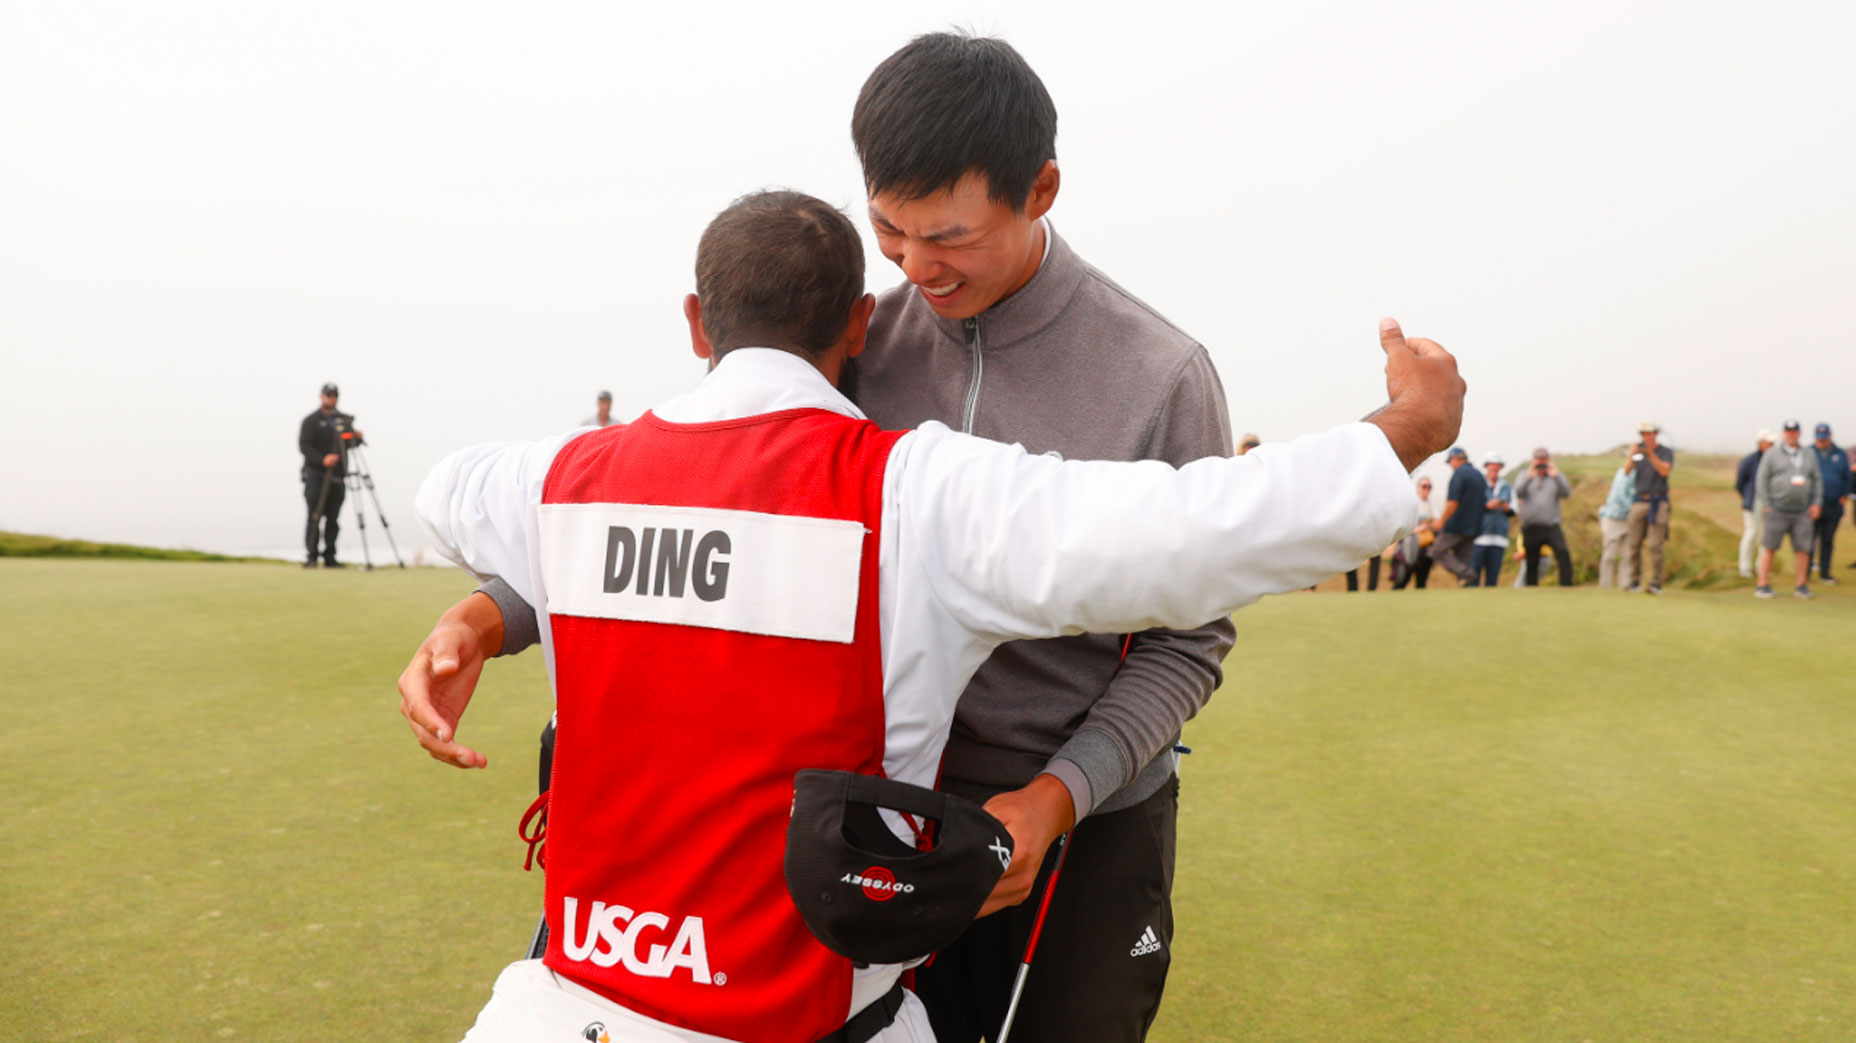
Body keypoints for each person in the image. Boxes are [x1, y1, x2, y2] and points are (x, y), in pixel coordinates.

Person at [401, 190, 1464, 1042]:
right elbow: (1192, 526)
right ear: (861, 323)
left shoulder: (552, 479)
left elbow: (447, 495)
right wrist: (1401, 430)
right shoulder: (917, 494)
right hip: (824, 1019)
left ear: (694, 323)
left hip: (553, 1006)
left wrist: (487, 610)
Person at [423, 33, 1245, 1041]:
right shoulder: (854, 342)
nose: (916, 266)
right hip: (870, 822)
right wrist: (494, 609)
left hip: (1079, 828)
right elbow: (709, 503)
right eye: (888, 231)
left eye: (946, 235)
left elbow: (1188, 638)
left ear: (1039, 189)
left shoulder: (1160, 373)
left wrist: (1053, 798)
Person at [1753, 419, 1822, 599]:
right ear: (1784, 433)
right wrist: (1766, 503)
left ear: (1799, 433)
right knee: (1769, 546)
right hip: (1777, 508)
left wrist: (1817, 502)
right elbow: (1762, 480)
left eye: (1795, 431)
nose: (1792, 434)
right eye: (1788, 431)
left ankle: (1801, 585)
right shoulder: (1771, 454)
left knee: (1803, 549)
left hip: (1802, 510)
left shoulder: (1809, 454)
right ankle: (1762, 584)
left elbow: (1817, 479)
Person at [297, 382, 361, 569]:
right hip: (316, 476)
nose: (331, 398)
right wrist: (323, 459)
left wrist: (357, 438)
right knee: (314, 516)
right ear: (322, 396)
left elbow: (348, 444)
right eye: (328, 395)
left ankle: (330, 557)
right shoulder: (310, 421)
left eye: (334, 395)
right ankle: (311, 556)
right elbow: (304, 446)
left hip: (338, 478)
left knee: (333, 519)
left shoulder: (343, 421)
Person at [1622, 421, 1676, 594]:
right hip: (1639, 501)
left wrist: (1651, 454)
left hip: (1658, 502)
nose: (1646, 437)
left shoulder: (1665, 452)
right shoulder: (1638, 453)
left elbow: (1665, 471)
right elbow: (1626, 470)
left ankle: (1656, 583)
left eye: (1649, 433)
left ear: (1655, 434)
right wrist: (1632, 454)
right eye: (1643, 434)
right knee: (1633, 544)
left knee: (1655, 545)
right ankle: (1633, 581)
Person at [1513, 447, 1574, 586]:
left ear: (1549, 460)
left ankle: (1566, 585)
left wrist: (1556, 476)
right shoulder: (1524, 475)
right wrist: (1530, 476)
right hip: (1530, 526)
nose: (1542, 462)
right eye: (1539, 459)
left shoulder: (1556, 476)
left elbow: (1566, 494)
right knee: (1532, 561)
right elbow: (1517, 492)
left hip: (1551, 525)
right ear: (1533, 460)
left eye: (1544, 459)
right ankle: (1531, 588)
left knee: (1562, 553)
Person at [1427, 447, 1487, 586]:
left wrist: (1442, 521)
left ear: (1455, 459)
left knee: (1436, 551)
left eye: (1450, 461)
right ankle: (1465, 588)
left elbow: (1452, 503)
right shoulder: (1479, 475)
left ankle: (1467, 574)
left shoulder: (1459, 474)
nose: (1450, 465)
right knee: (1463, 558)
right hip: (1475, 525)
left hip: (1456, 525)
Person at [1811, 423, 1848, 584]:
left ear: (1830, 436)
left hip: (1833, 505)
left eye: (1824, 438)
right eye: (1819, 438)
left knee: (1828, 539)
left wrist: (1844, 495)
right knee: (1809, 539)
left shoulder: (1839, 454)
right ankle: (1805, 572)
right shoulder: (1809, 452)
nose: (1822, 441)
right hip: (1813, 505)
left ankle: (1825, 573)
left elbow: (1847, 476)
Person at [1735, 430, 1775, 578]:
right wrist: (1747, 498)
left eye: (1773, 443)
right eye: (1769, 442)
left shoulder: (1774, 459)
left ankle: (1762, 566)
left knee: (1767, 535)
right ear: (1760, 443)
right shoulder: (1749, 460)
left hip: (1770, 501)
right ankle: (1744, 567)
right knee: (1751, 533)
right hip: (1753, 501)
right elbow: (1739, 484)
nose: (1772, 445)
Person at [1469, 452, 1514, 587]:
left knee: (1492, 577)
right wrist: (1486, 506)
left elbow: (1513, 510)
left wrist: (1505, 507)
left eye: (1497, 465)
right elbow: (1471, 507)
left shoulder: (1507, 486)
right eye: (1492, 465)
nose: (1494, 468)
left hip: (1499, 538)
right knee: (1474, 575)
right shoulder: (1478, 484)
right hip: (1479, 537)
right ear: (1486, 466)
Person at [1595, 454, 1637, 589]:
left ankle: (1625, 585)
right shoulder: (1622, 473)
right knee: (1609, 555)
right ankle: (1604, 586)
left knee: (1627, 555)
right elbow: (1620, 496)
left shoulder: (1640, 475)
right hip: (1613, 517)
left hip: (1630, 519)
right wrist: (1636, 509)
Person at [1391, 476, 1435, 589]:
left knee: (1421, 581)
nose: (1427, 489)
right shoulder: (1412, 504)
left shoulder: (1432, 505)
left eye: (1429, 487)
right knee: (1402, 579)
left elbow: (1437, 523)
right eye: (1424, 486)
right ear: (1418, 487)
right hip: (1410, 546)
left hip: (1426, 547)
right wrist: (1417, 529)